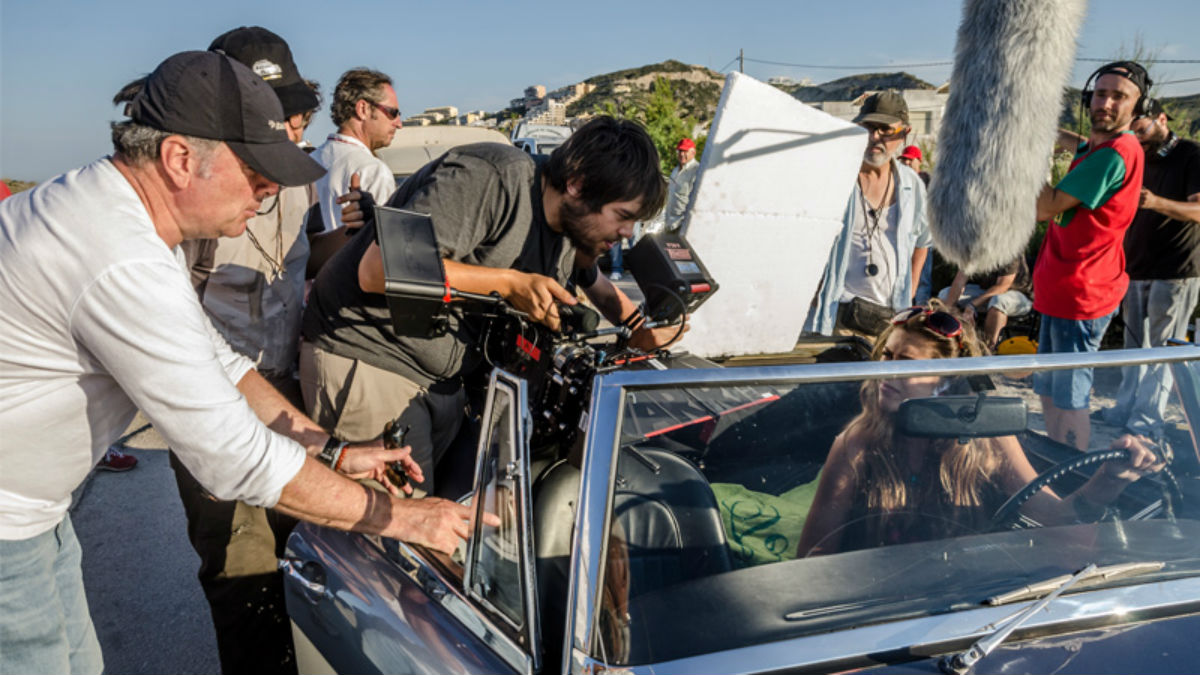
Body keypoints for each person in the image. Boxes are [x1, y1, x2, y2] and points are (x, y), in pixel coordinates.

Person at [0, 51, 473, 675]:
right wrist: (405, 518)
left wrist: (331, 450)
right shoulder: (119, 256)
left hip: (35, 509)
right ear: (179, 159)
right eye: (255, 171)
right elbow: (231, 456)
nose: (271, 189)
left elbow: (219, 361)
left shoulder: (122, 217)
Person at [301, 116, 682, 494]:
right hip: (374, 358)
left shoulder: (571, 227)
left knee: (458, 511)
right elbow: (378, 270)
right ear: (577, 184)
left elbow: (596, 283)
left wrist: (642, 329)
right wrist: (509, 283)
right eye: (623, 216)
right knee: (395, 522)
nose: (627, 233)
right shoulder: (490, 177)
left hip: (444, 379)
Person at [171, 27, 322, 675]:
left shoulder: (301, 179)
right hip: (218, 403)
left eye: (291, 110)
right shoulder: (195, 199)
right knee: (243, 571)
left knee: (305, 557)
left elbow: (312, 264)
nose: (287, 124)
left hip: (290, 390)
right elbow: (174, 324)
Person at [796, 302, 1163, 557]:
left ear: (945, 382)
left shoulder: (987, 435)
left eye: (905, 363)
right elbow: (814, 557)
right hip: (877, 607)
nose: (885, 373)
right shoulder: (857, 443)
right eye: (886, 357)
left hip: (969, 603)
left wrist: (1109, 480)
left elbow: (1055, 518)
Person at [1033, 61, 1147, 451]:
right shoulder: (1098, 147)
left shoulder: (1114, 154)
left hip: (1081, 294)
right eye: (1100, 94)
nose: (1106, 103)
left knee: (1069, 398)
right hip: (1065, 289)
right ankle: (1055, 461)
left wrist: (1027, 154)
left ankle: (1071, 474)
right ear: (1088, 98)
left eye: (1119, 97)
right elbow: (1078, 142)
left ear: (1137, 107)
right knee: (1049, 389)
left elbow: (1044, 206)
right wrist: (1039, 128)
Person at [1099, 99, 1200, 437]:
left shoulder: (1191, 154)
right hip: (1136, 267)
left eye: (1141, 129)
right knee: (1133, 348)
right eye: (1132, 131)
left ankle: (1147, 419)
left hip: (1176, 269)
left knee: (1163, 349)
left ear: (1161, 119)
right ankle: (1125, 408)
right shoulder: (1137, 154)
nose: (1137, 137)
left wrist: (1156, 202)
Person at [809, 91, 932, 339]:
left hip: (890, 317)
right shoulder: (837, 179)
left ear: (904, 133)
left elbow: (923, 241)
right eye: (868, 128)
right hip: (838, 313)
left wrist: (911, 289)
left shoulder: (911, 184)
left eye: (885, 130)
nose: (875, 137)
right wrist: (816, 288)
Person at [310, 68, 401, 233]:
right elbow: (387, 240)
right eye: (392, 113)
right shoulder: (373, 170)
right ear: (363, 109)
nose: (398, 123)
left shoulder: (309, 161)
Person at [940, 255, 1033, 350]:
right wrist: (948, 310)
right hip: (986, 291)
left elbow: (1002, 286)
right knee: (945, 294)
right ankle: (951, 342)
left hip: (1019, 294)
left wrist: (972, 305)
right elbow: (959, 281)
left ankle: (989, 349)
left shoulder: (1011, 252)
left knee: (998, 301)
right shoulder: (973, 250)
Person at [664, 137, 699, 232]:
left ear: (693, 153)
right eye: (680, 151)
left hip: (682, 225)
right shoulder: (675, 170)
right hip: (669, 223)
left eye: (685, 151)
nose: (682, 154)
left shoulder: (696, 171)